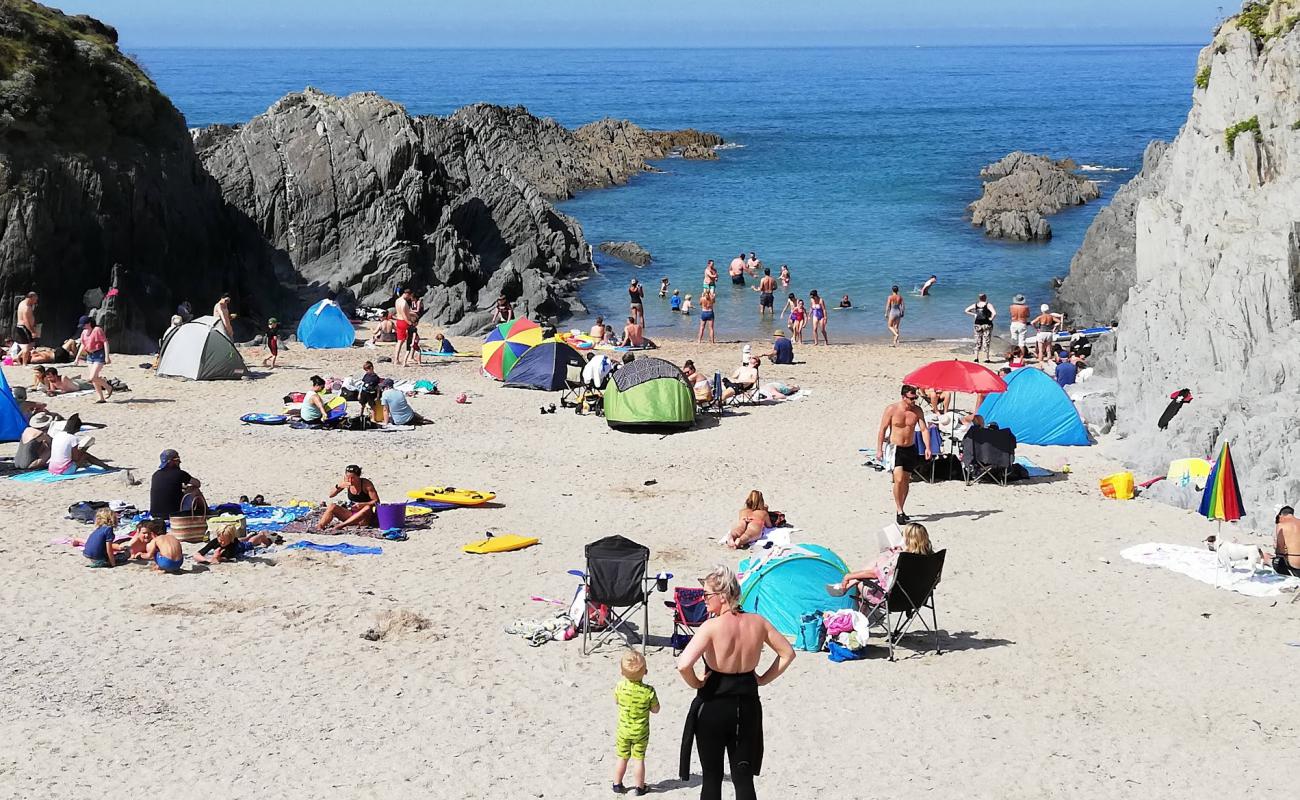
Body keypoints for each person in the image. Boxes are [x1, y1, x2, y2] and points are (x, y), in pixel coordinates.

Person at [677, 564, 794, 800]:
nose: (703, 599)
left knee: (712, 777)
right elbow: (787, 654)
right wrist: (762, 679)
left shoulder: (711, 626)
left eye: (707, 594)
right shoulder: (758, 622)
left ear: (722, 596)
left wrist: (697, 683)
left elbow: (683, 664)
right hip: (746, 706)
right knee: (743, 778)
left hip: (714, 705)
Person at [838, 523, 934, 604]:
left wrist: (849, 576)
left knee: (861, 583)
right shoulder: (932, 558)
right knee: (882, 559)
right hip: (919, 598)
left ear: (908, 540)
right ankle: (849, 585)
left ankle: (860, 615)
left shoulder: (902, 558)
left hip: (893, 600)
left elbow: (875, 574)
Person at [877, 384, 931, 525]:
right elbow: (882, 429)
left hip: (910, 448)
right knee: (899, 479)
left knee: (906, 481)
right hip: (896, 449)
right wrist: (879, 449)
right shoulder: (892, 409)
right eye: (911, 398)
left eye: (915, 398)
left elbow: (924, 429)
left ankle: (902, 507)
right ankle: (899, 510)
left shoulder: (917, 411)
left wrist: (928, 447)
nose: (914, 401)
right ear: (903, 397)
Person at [612, 649, 660, 796]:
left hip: (623, 731)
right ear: (645, 671)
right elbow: (656, 709)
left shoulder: (620, 686)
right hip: (641, 732)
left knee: (622, 757)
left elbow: (616, 701)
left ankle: (617, 784)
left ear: (622, 672)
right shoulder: (649, 691)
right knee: (638, 759)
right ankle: (639, 787)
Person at [317, 464, 380, 529]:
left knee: (367, 507)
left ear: (358, 477)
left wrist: (363, 504)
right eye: (348, 477)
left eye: (352, 478)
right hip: (350, 514)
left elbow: (376, 501)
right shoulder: (346, 481)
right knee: (332, 506)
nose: (350, 480)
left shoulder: (366, 484)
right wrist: (338, 486)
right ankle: (320, 526)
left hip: (364, 518)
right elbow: (331, 495)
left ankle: (341, 525)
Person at [194, 523, 276, 564]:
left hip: (240, 547)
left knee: (250, 543)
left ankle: (261, 535)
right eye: (220, 539)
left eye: (224, 540)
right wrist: (207, 560)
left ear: (230, 539)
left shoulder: (232, 545)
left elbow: (222, 559)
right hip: (235, 540)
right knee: (242, 539)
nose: (221, 542)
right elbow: (197, 554)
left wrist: (216, 557)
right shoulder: (216, 541)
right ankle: (249, 536)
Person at [74, 316, 112, 403]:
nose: (83, 327)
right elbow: (83, 345)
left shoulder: (97, 330)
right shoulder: (84, 332)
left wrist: (107, 356)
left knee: (92, 377)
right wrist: (77, 357)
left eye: (84, 325)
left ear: (89, 324)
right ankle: (100, 397)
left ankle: (108, 387)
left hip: (99, 354)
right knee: (95, 378)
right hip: (89, 355)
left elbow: (105, 342)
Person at [150, 449, 193, 519]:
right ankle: (205, 511)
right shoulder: (180, 473)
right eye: (177, 460)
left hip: (155, 515)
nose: (179, 462)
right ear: (171, 462)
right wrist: (188, 489)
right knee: (194, 489)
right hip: (174, 514)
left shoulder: (156, 474)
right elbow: (197, 483)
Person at [965, 293, 996, 363]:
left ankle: (976, 358)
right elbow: (994, 313)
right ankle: (986, 358)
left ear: (979, 298)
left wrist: (975, 314)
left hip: (977, 324)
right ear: (985, 297)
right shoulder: (988, 304)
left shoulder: (975, 305)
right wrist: (991, 319)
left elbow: (966, 310)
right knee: (986, 340)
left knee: (977, 341)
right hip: (987, 324)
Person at [1271, 506, 1300, 577]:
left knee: (1270, 559)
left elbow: (1280, 550)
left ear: (1281, 515)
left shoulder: (1281, 525)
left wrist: (1276, 548)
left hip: (1295, 565)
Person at [15, 291, 39, 365]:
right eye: (35, 299)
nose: (35, 301)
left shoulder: (23, 303)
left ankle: (17, 356)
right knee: (27, 346)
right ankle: (24, 364)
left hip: (23, 327)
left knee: (32, 344)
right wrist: (32, 331)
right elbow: (26, 321)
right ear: (30, 298)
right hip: (24, 327)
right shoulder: (26, 307)